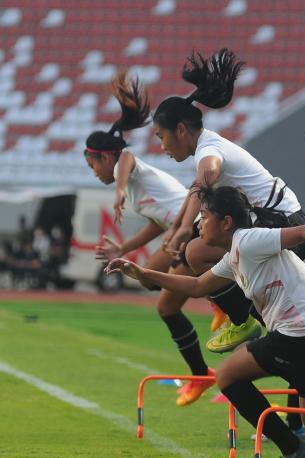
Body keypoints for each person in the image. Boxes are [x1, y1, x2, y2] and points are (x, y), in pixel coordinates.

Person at [106, 185, 305, 458]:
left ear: (226, 222)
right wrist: (143, 274)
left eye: (204, 216)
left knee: (228, 375)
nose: (199, 224)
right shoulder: (234, 256)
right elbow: (197, 286)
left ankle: (292, 449)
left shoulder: (250, 239)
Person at [151, 48, 305, 356]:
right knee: (194, 245)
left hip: (285, 224)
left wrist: (184, 229)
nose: (161, 146)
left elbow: (206, 174)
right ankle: (237, 308)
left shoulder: (209, 150)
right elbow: (195, 189)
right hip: (279, 220)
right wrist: (179, 228)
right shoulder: (208, 143)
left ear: (181, 130)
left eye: (161, 136)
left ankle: (242, 316)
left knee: (196, 250)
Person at [87, 72, 214, 406]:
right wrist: (123, 248)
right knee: (152, 287)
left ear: (104, 157)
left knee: (165, 301)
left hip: (196, 228)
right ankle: (205, 363)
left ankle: (221, 312)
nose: (94, 173)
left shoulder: (123, 170)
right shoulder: (131, 184)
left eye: (92, 166)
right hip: (181, 230)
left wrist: (116, 191)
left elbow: (126, 157)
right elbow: (157, 224)